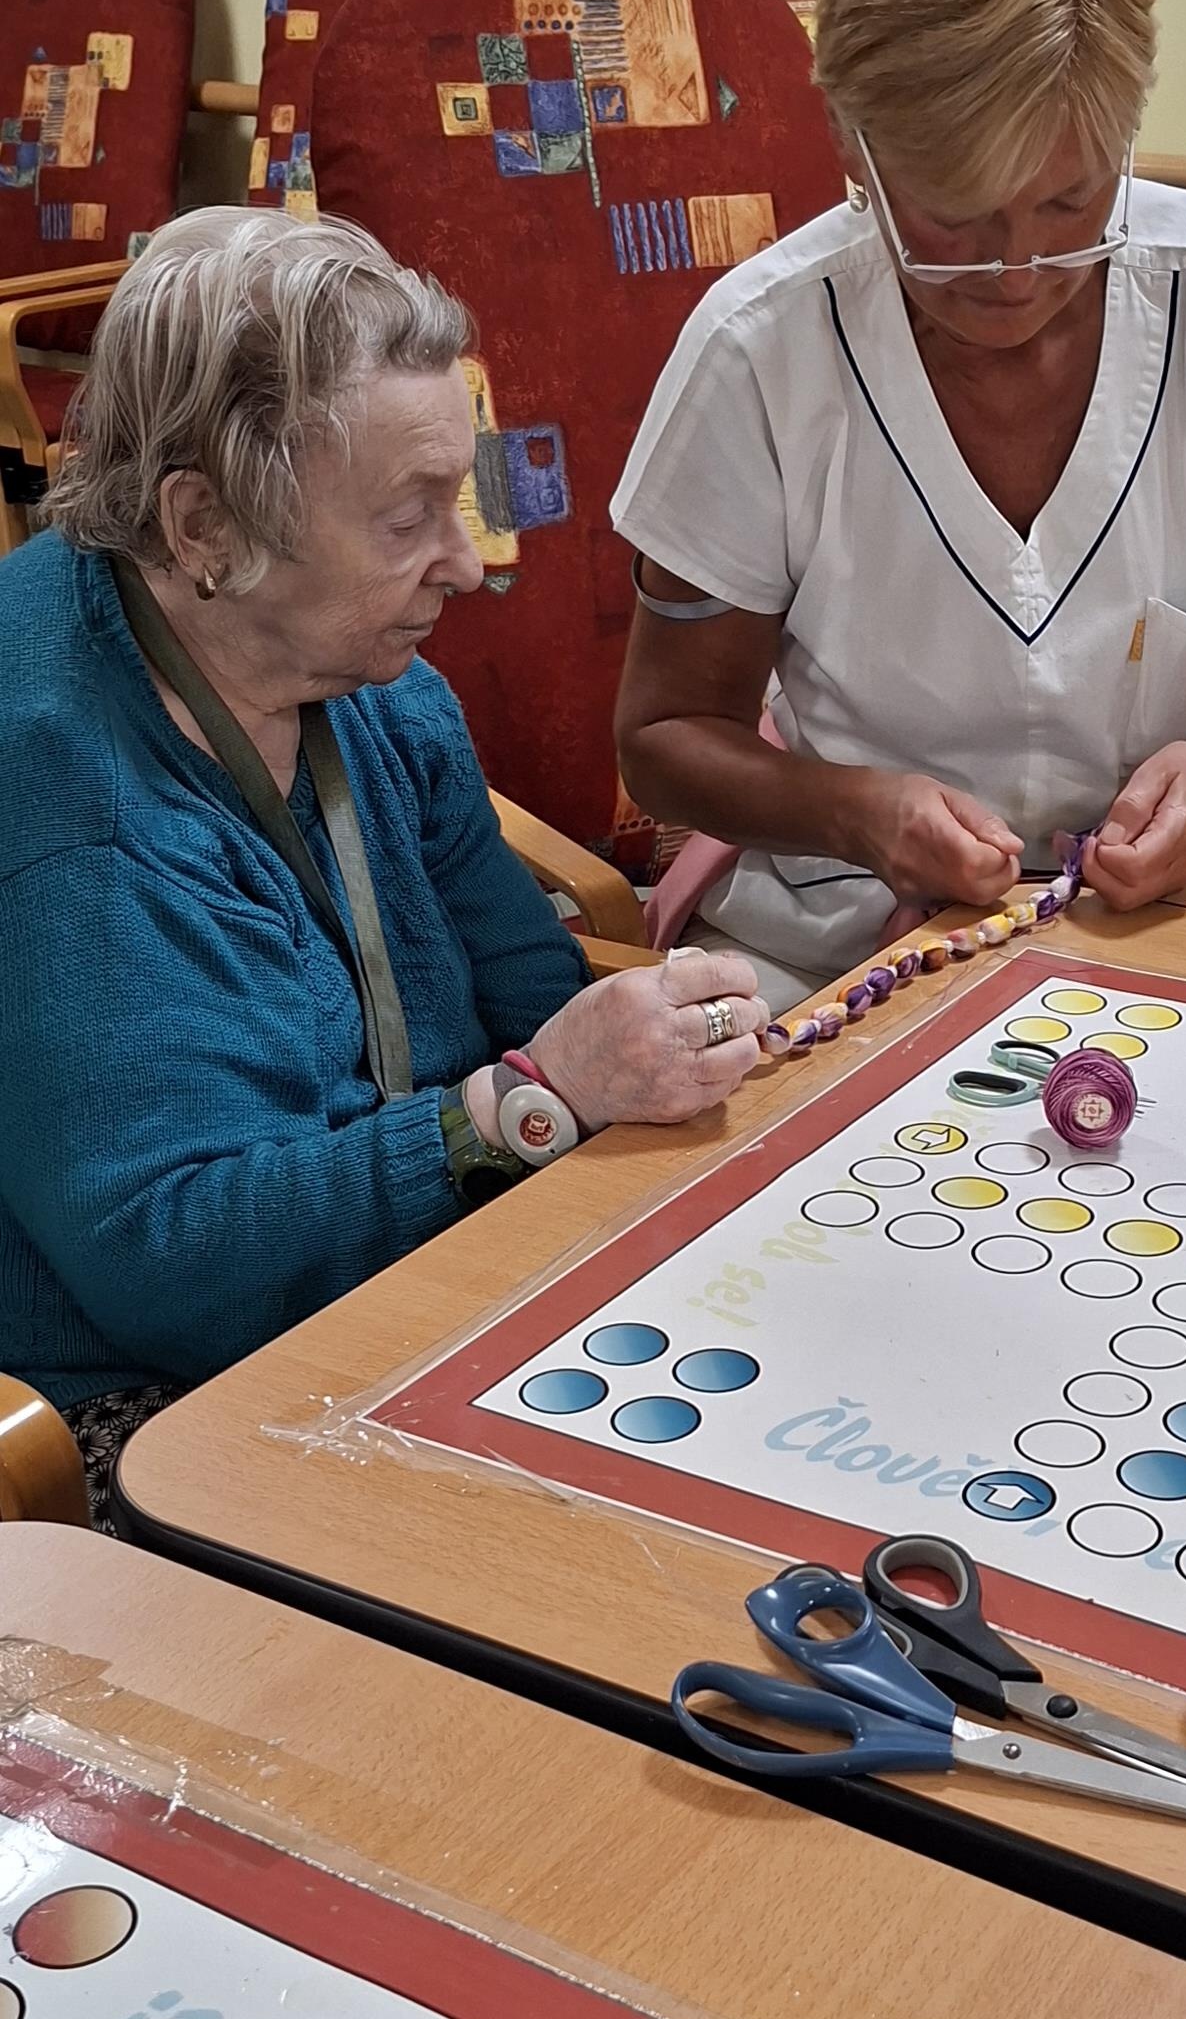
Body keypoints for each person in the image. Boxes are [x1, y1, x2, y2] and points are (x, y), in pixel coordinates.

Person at [0, 208, 764, 1524]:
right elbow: (178, 1270)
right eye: (410, 518)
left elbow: (526, 984)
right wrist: (523, 1107)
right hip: (143, 1404)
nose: (464, 564)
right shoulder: (67, 803)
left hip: (410, 1259)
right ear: (204, 525)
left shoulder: (361, 674)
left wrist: (641, 1051)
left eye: (456, 500)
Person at [611, 0, 1186, 1009]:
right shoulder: (760, 351)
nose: (1015, 267)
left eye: (1067, 200)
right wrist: (856, 809)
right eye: (954, 214)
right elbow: (665, 736)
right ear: (850, 144)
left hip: (1145, 931)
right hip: (836, 950)